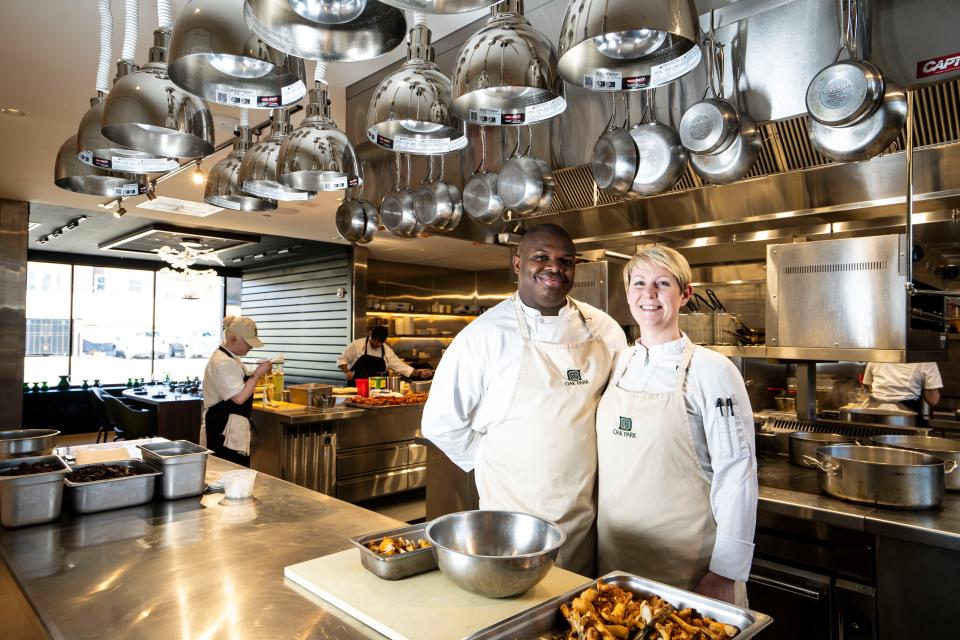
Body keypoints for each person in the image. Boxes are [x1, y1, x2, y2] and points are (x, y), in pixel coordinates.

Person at [422, 224, 628, 576]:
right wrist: (492, 460)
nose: (555, 268)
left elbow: (620, 407)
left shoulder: (604, 329)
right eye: (541, 258)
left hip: (585, 509)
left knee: (577, 609)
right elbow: (440, 422)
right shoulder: (483, 336)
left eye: (566, 261)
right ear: (517, 264)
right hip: (511, 512)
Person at [595, 245, 757, 606]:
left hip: (686, 568)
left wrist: (725, 573)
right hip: (614, 559)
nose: (648, 294)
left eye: (662, 283)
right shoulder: (619, 362)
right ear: (627, 293)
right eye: (639, 283)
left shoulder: (712, 370)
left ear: (685, 294)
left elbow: (737, 473)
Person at [201, 316, 272, 467]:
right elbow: (239, 397)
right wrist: (258, 374)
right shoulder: (223, 362)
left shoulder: (230, 358)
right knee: (228, 473)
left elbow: (237, 384)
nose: (251, 347)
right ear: (233, 339)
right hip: (223, 428)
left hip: (229, 427)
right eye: (248, 343)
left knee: (232, 473)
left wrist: (254, 372)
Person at [337, 326, 433, 381]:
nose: (375, 344)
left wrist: (420, 373)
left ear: (384, 341)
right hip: (356, 386)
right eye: (373, 340)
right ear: (370, 334)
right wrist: (347, 371)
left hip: (379, 390)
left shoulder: (387, 351)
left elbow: (402, 367)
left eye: (379, 342)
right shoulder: (357, 344)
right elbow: (342, 359)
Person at [862, 362, 942, 413]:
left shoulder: (876, 354)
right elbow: (933, 400)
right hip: (908, 415)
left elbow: (870, 387)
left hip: (875, 412)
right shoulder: (926, 359)